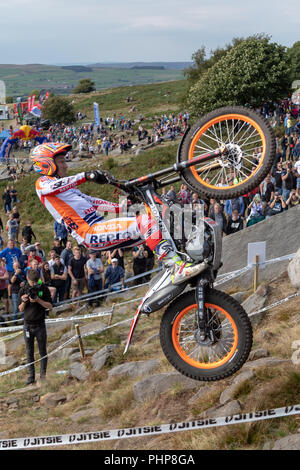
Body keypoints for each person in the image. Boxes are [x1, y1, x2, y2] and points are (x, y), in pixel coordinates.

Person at [31, 143, 208, 286]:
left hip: (99, 225)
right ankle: (175, 267)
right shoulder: (43, 184)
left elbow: (95, 202)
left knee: (156, 217)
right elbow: (55, 186)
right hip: (90, 233)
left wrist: (126, 206)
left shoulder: (69, 189)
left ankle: (186, 256)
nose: (65, 165)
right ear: (47, 163)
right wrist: (87, 175)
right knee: (146, 222)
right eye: (61, 161)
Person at [18, 269, 52, 385]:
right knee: (29, 352)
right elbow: (20, 309)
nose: (33, 284)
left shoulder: (43, 289)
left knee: (43, 351)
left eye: (35, 282)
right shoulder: (23, 289)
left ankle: (43, 376)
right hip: (27, 325)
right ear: (28, 279)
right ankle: (31, 376)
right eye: (31, 282)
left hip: (40, 325)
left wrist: (38, 300)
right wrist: (24, 301)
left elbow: (50, 306)